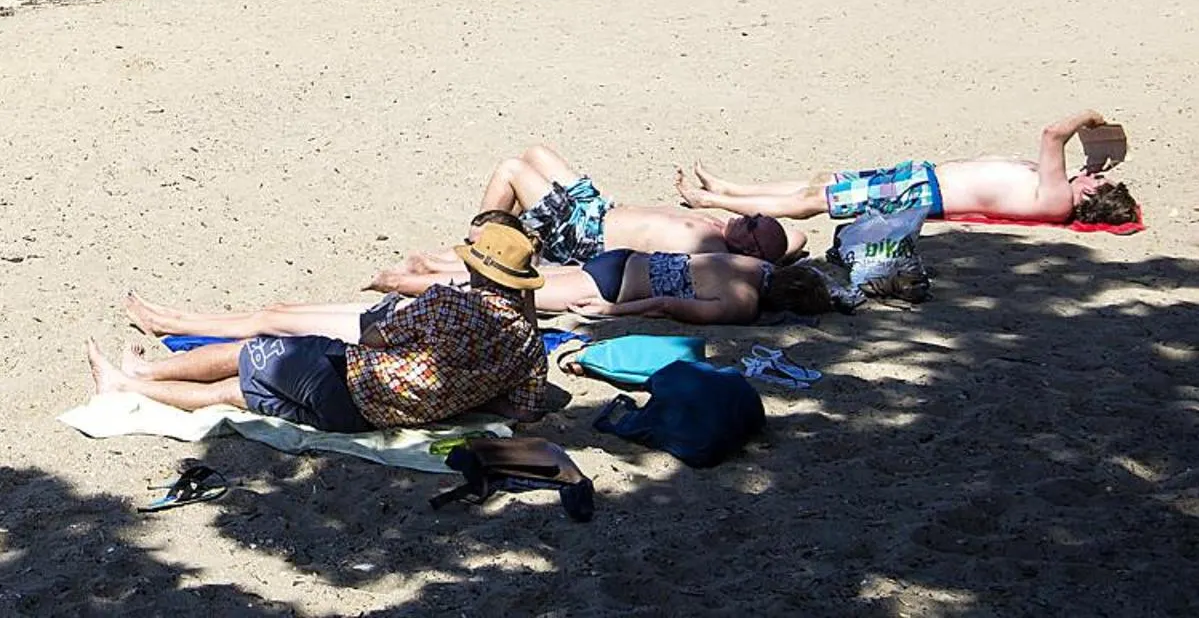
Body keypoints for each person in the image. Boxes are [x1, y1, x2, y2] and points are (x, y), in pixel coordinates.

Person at [88, 215, 549, 432]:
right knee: (233, 393)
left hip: (351, 386)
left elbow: (373, 336)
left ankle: (145, 374)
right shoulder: (530, 346)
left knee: (253, 348)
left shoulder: (449, 304)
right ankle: (126, 388)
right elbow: (522, 411)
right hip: (358, 422)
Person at [376, 143, 795, 280]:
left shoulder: (716, 257)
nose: (748, 217)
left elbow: (775, 254)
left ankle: (480, 247)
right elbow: (796, 239)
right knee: (536, 152)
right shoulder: (722, 229)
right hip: (597, 205)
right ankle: (497, 240)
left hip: (584, 233)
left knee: (512, 171)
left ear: (751, 252)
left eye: (754, 224)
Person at [675, 109, 1138, 226]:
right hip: (923, 180)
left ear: (1092, 195)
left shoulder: (1059, 199)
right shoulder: (1058, 192)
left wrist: (1090, 116)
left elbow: (1053, 133)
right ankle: (730, 187)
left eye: (1098, 178)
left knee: (818, 201)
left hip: (924, 193)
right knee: (830, 181)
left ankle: (713, 201)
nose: (1092, 172)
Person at [366, 242, 843, 324]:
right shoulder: (744, 303)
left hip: (622, 260)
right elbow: (667, 307)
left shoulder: (754, 265)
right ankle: (397, 281)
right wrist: (612, 313)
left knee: (524, 278)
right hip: (618, 287)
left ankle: (425, 268)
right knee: (502, 289)